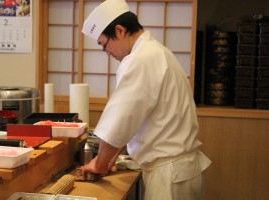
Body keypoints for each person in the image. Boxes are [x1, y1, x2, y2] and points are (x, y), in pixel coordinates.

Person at [81, 0, 211, 199]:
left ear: (120, 30)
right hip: (180, 170)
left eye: (104, 44)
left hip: (170, 174)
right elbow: (132, 120)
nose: (106, 53)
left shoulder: (140, 59)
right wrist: (108, 160)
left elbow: (120, 120)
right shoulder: (157, 51)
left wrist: (98, 164)